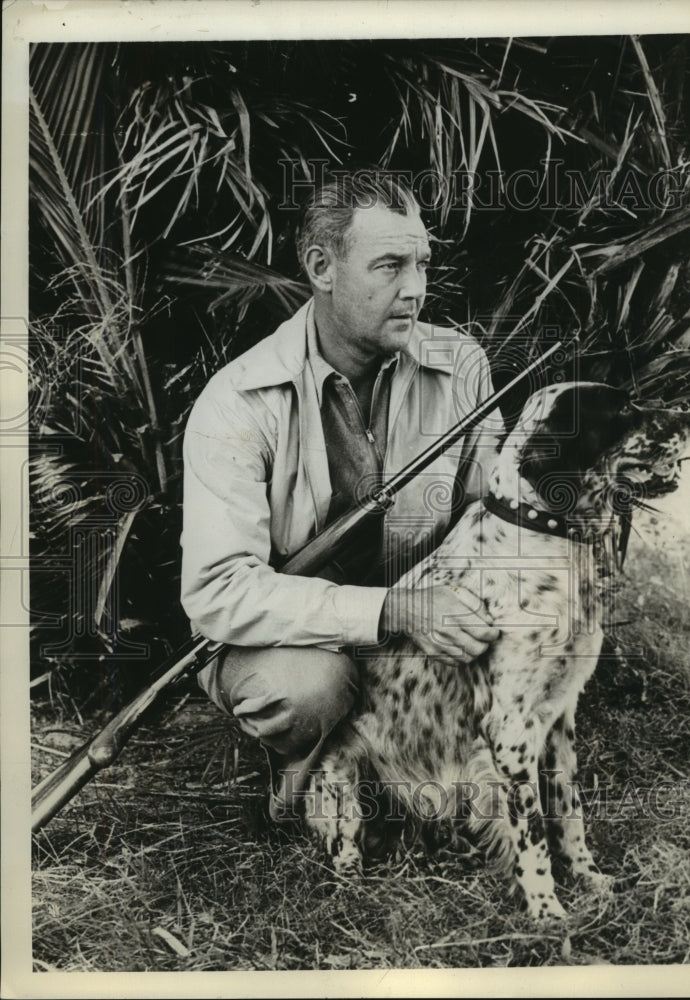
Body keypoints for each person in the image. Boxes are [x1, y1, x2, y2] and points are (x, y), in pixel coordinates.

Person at [180, 171, 502, 820]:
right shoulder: (237, 401)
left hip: (421, 627)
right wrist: (395, 610)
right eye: (388, 265)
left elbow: (485, 519)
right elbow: (218, 592)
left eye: (421, 264)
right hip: (292, 640)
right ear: (322, 267)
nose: (414, 288)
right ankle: (309, 779)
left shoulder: (460, 364)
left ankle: (418, 762)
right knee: (305, 688)